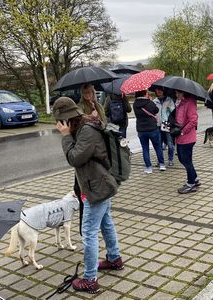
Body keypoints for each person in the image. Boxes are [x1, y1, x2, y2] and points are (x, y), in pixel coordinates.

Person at [53, 97, 123, 294]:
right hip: (100, 183)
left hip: (98, 187)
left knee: (89, 232)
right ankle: (114, 258)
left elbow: (75, 158)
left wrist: (66, 136)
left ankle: (90, 279)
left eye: (60, 121)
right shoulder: (84, 126)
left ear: (67, 119)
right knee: (106, 222)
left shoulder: (87, 131)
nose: (59, 125)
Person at [133, 90, 165, 173]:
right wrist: (150, 101)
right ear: (144, 94)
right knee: (157, 146)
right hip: (152, 129)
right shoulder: (150, 103)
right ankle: (161, 164)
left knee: (145, 148)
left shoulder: (135, 104)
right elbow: (156, 110)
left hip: (141, 129)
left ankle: (148, 167)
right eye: (147, 92)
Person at [175, 90, 200, 194]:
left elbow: (194, 120)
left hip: (187, 138)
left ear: (184, 92)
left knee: (186, 160)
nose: (176, 95)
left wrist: (183, 131)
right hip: (180, 137)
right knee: (182, 159)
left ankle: (191, 184)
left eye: (178, 93)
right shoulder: (180, 102)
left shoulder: (190, 103)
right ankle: (194, 178)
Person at [153, 87, 176, 166]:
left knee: (170, 143)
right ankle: (160, 160)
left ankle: (170, 159)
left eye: (160, 90)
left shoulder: (169, 100)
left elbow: (174, 111)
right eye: (157, 90)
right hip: (158, 125)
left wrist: (170, 108)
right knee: (159, 144)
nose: (158, 91)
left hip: (167, 124)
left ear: (164, 91)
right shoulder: (154, 101)